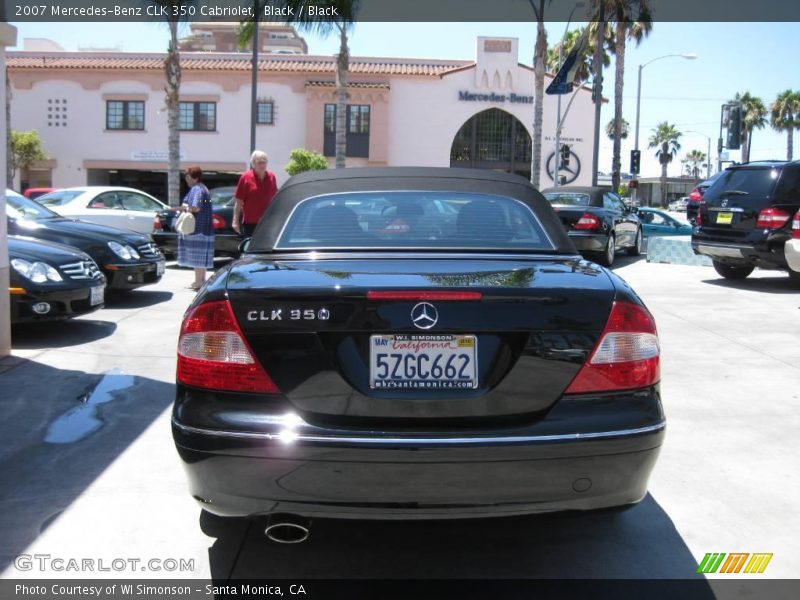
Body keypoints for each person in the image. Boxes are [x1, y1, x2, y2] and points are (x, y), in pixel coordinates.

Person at [177, 166, 213, 291]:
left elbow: (196, 207)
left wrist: (186, 208)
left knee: (197, 257)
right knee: (202, 257)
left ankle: (198, 282)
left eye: (188, 177)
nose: (186, 180)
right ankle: (201, 281)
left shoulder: (197, 189)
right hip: (206, 228)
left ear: (195, 178)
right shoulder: (204, 189)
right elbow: (202, 203)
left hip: (197, 228)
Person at [232, 150, 278, 237]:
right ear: (253, 163)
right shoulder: (245, 178)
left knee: (267, 249)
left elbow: (275, 199)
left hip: (268, 222)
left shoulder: (272, 177)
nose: (262, 165)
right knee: (250, 249)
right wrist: (235, 221)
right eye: (259, 162)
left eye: (264, 162)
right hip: (251, 224)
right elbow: (238, 202)